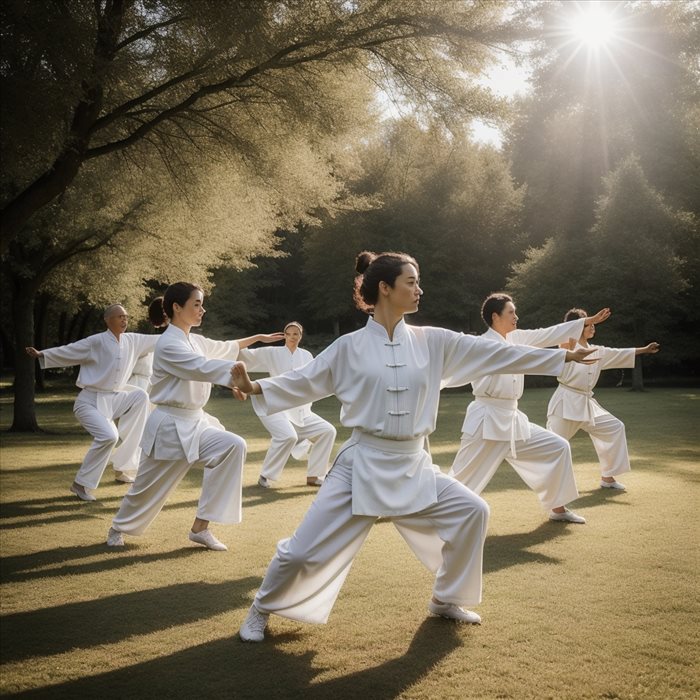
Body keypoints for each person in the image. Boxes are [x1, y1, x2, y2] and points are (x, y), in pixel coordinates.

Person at [231, 252, 595, 642]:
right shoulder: (348, 347)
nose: (419, 289)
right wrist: (254, 387)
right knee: (302, 552)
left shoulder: (433, 341)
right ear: (385, 289)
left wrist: (558, 356)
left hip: (414, 464)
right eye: (411, 281)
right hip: (361, 465)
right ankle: (260, 609)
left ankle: (445, 599)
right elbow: (304, 380)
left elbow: (498, 352)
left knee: (473, 511)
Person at [107, 282, 284, 551]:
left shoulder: (194, 340)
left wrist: (258, 340)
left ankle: (201, 528)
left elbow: (225, 348)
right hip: (168, 425)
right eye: (197, 304)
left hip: (196, 422)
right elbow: (202, 367)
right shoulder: (168, 344)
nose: (203, 309)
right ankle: (118, 528)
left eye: (202, 304)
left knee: (233, 446)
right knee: (146, 488)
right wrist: (237, 380)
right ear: (177, 308)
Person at [448, 293, 611, 524]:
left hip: (513, 419)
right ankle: (419, 507)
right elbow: (523, 357)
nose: (516, 316)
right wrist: (567, 356)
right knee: (460, 478)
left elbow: (545, 334)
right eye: (511, 312)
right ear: (495, 316)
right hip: (487, 420)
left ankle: (558, 508)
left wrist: (584, 322)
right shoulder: (484, 344)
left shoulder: (516, 338)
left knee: (558, 447)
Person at [26, 304, 159, 500]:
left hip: (114, 398)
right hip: (89, 402)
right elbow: (70, 351)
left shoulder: (133, 340)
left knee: (140, 396)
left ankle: (125, 463)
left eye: (126, 317)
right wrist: (43, 354)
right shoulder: (96, 341)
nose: (124, 320)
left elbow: (161, 340)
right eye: (120, 316)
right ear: (108, 320)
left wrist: (182, 328)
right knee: (108, 436)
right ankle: (80, 485)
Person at [546, 307, 660, 491]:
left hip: (587, 402)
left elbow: (620, 353)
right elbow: (564, 342)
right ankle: (548, 484)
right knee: (553, 444)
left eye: (593, 324)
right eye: (589, 324)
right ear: (576, 327)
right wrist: (573, 329)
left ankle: (608, 478)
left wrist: (644, 350)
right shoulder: (567, 346)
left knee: (614, 428)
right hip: (565, 402)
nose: (593, 327)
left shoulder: (597, 350)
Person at [238, 321, 336, 488]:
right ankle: (266, 476)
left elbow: (315, 378)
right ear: (284, 336)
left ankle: (314, 476)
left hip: (301, 410)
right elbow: (243, 356)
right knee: (288, 436)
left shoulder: (306, 356)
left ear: (300, 336)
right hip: (275, 406)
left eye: (295, 334)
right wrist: (239, 385)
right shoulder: (272, 352)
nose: (292, 337)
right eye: (288, 334)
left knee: (327, 431)